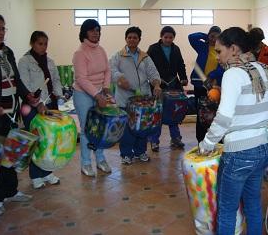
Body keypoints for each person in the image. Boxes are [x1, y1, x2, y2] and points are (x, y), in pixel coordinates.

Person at [199, 27, 268, 234]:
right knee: (252, 204)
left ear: (233, 49)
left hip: (240, 153)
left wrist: (207, 144)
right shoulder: (262, 68)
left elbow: (223, 119)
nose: (217, 57)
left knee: (227, 209)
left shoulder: (233, 74)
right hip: (262, 148)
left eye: (219, 51)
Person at [0, 14, 43, 216]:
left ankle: (11, 191)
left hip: (13, 110)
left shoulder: (8, 52)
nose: (0, 33)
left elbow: (16, 81)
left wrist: (28, 96)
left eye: (3, 29)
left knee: (12, 152)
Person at [110, 26, 161, 164]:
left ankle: (140, 152)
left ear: (139, 40)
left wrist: (156, 85)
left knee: (142, 126)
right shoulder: (117, 56)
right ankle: (126, 154)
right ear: (126, 39)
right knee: (127, 129)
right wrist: (120, 78)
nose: (132, 39)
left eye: (135, 37)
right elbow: (111, 71)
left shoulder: (145, 57)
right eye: (129, 37)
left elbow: (153, 73)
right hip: (125, 100)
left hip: (144, 100)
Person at [18, 30, 63, 189]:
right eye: (40, 43)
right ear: (32, 43)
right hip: (32, 107)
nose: (43, 47)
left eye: (45, 44)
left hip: (49, 104)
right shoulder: (24, 62)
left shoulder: (50, 61)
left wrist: (59, 95)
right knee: (36, 140)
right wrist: (37, 104)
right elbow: (24, 85)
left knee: (49, 140)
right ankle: (36, 176)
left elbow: (56, 80)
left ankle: (47, 172)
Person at [72, 19, 111, 177]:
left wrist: (106, 88)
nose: (96, 33)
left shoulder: (101, 50)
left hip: (99, 93)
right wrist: (96, 95)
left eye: (98, 30)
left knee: (100, 128)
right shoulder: (80, 53)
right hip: (83, 94)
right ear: (84, 32)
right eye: (92, 30)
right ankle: (86, 163)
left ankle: (100, 159)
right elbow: (81, 78)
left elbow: (107, 70)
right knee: (87, 129)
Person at [147, 26, 187, 152]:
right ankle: (154, 141)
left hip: (174, 86)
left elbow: (181, 64)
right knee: (157, 114)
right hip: (158, 86)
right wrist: (154, 83)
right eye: (166, 37)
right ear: (161, 36)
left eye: (171, 37)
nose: (168, 40)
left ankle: (176, 138)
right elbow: (148, 66)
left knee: (174, 112)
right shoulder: (153, 49)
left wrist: (184, 77)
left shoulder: (176, 49)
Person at [188, 26, 224, 142]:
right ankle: (200, 140)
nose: (214, 39)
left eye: (217, 37)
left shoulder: (222, 50)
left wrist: (212, 75)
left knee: (216, 113)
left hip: (215, 87)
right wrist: (206, 36)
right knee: (201, 114)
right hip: (200, 85)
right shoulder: (203, 47)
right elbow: (191, 37)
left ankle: (216, 140)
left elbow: (223, 67)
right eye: (212, 36)